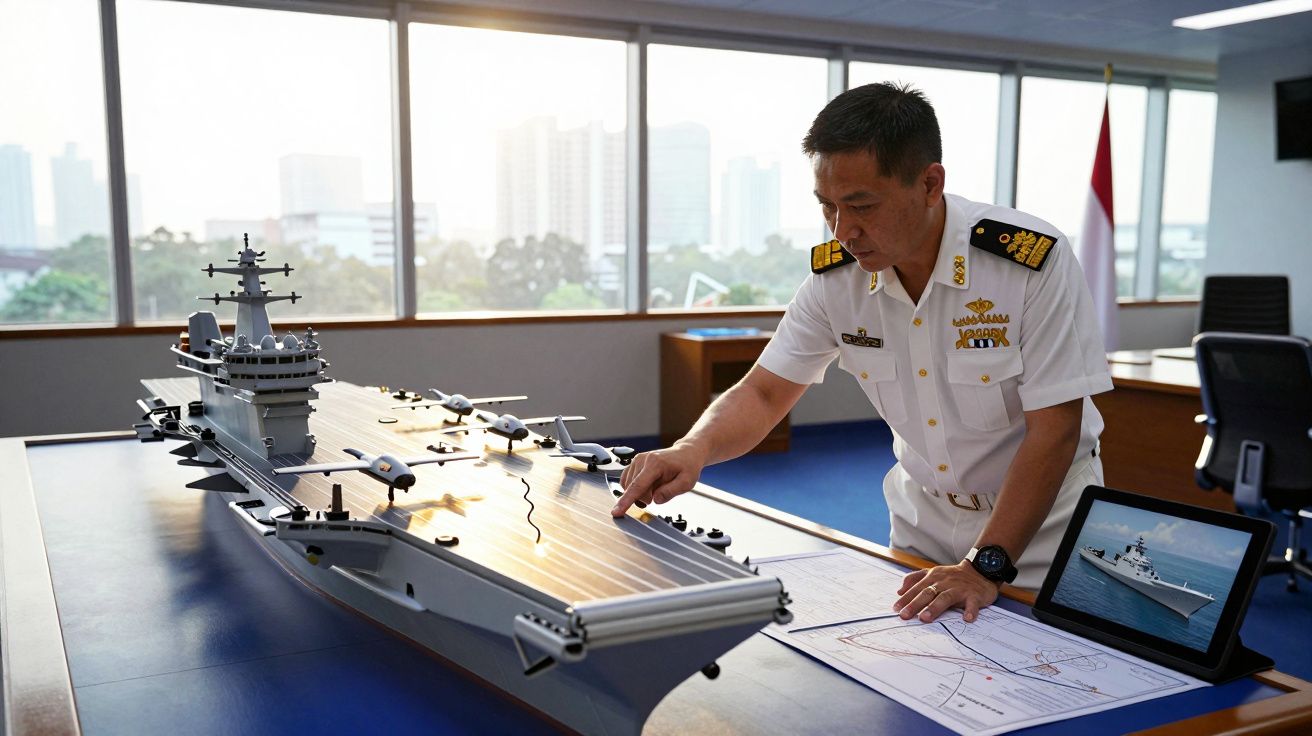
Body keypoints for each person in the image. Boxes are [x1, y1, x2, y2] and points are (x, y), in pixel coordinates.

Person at [613, 82, 1112, 624]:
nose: (843, 231)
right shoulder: (838, 280)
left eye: (862, 206)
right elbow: (764, 391)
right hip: (921, 521)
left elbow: (1056, 429)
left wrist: (985, 566)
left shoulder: (1025, 264)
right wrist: (693, 448)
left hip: (1040, 534)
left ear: (929, 183)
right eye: (827, 207)